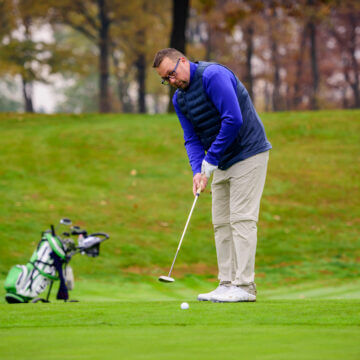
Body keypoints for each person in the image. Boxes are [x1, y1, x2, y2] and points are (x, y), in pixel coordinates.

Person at [153, 48, 271, 302]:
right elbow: (191, 138)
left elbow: (233, 119)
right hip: (223, 161)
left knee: (241, 219)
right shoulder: (179, 99)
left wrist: (211, 159)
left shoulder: (212, 75)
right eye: (166, 79)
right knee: (220, 222)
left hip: (249, 152)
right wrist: (198, 171)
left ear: (183, 61)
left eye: (172, 74)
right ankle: (227, 283)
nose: (172, 82)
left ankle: (245, 286)